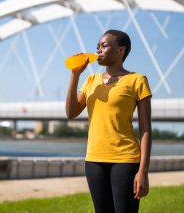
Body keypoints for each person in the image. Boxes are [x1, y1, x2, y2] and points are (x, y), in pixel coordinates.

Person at [65, 29, 152, 213]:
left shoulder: (137, 80)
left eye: (104, 46)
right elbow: (71, 112)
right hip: (94, 160)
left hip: (125, 159)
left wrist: (143, 171)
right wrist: (75, 75)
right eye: (97, 47)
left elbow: (145, 129)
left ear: (121, 50)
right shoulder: (90, 80)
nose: (98, 50)